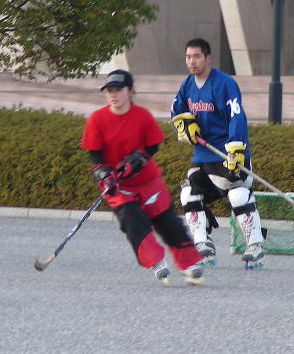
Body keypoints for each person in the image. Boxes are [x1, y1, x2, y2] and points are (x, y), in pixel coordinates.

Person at [82, 69, 205, 286]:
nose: (113, 95)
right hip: (117, 184)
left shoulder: (143, 116)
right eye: (109, 91)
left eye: (118, 90)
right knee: (132, 219)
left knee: (167, 221)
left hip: (148, 181)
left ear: (130, 91)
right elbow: (95, 154)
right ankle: (156, 261)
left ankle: (189, 264)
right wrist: (104, 173)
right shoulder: (97, 119)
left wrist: (139, 158)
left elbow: (152, 145)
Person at [170, 37, 265, 268]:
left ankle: (255, 244)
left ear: (208, 58)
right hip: (203, 155)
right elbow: (176, 109)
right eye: (188, 57)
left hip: (228, 155)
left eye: (196, 56)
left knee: (238, 195)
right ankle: (203, 245)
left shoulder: (225, 84)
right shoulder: (187, 85)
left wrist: (236, 148)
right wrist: (184, 123)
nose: (192, 61)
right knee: (189, 194)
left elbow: (236, 117)